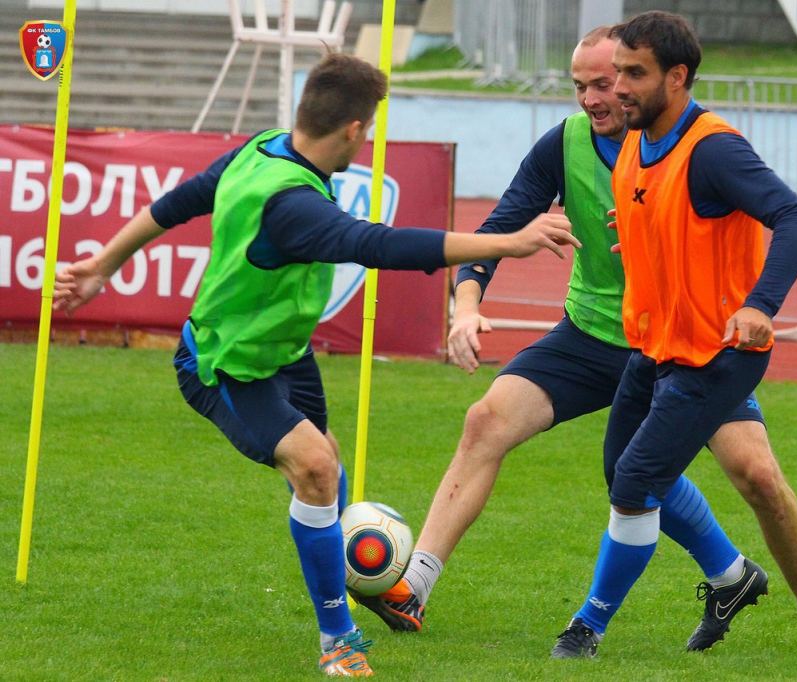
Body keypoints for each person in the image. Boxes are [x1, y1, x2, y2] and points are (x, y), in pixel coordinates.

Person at [52, 53, 580, 678]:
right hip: (224, 366)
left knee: (324, 467)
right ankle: (337, 638)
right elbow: (378, 244)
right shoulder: (292, 206)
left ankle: (360, 573)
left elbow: (175, 204)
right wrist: (509, 243)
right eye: (373, 125)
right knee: (316, 468)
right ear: (355, 128)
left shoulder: (264, 149)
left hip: (285, 354)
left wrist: (104, 265)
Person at [352, 26, 797, 655]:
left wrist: (756, 303)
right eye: (584, 84)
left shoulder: (698, 146)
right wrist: (465, 306)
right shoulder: (567, 145)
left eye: (610, 80)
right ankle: (416, 584)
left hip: (693, 345)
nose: (598, 96)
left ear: (654, 76)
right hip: (596, 335)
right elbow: (498, 229)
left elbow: (784, 219)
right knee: (489, 422)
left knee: (752, 475)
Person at [547, 11, 797, 659]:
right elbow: (660, 216)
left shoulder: (713, 148)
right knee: (644, 475)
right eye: (617, 72)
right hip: (656, 347)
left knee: (642, 483)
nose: (619, 86)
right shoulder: (637, 138)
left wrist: (760, 305)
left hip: (715, 354)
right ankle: (734, 579)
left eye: (634, 74)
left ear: (678, 76)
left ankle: (588, 627)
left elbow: (795, 218)